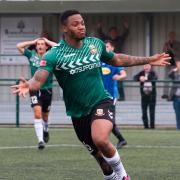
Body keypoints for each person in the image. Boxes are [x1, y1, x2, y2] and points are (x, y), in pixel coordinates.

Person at [12, 10, 170, 180]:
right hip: (78, 113)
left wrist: (148, 59)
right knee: (102, 161)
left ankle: (124, 176)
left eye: (82, 23)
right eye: (75, 24)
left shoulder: (95, 44)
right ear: (65, 28)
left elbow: (117, 59)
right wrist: (29, 85)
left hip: (101, 100)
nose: (81, 27)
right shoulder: (54, 55)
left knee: (100, 139)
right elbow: (38, 79)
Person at [16, 37, 57, 149]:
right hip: (34, 88)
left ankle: (46, 130)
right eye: (38, 44)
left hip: (47, 89)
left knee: (45, 116)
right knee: (37, 113)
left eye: (42, 44)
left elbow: (60, 47)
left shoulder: (51, 56)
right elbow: (19, 46)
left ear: (46, 46)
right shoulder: (32, 55)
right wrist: (32, 41)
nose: (39, 45)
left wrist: (47, 41)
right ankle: (40, 141)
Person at [101, 40, 127, 149]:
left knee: (109, 120)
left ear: (112, 48)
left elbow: (124, 74)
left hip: (111, 95)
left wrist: (119, 77)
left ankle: (121, 139)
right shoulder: (100, 60)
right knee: (102, 119)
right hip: (100, 95)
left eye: (107, 46)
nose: (105, 48)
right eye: (104, 46)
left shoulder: (115, 61)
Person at [96, 20, 129, 101]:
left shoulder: (119, 40)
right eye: (111, 32)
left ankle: (121, 96)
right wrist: (99, 28)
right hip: (101, 94)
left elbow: (125, 35)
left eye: (114, 32)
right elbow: (101, 35)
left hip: (117, 61)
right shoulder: (100, 59)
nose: (113, 34)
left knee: (118, 81)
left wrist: (126, 28)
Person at [134, 64, 158, 129]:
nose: (146, 67)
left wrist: (146, 78)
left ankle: (152, 127)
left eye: (148, 66)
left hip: (152, 96)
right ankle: (146, 126)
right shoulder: (141, 72)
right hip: (143, 95)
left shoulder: (153, 72)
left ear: (150, 67)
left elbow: (155, 78)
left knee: (152, 112)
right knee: (144, 112)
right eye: (145, 66)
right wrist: (139, 78)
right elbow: (134, 78)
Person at [162, 31, 180, 100]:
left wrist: (171, 49)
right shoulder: (166, 43)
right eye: (170, 35)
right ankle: (165, 94)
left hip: (175, 65)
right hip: (168, 64)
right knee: (166, 79)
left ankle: (172, 95)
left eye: (173, 35)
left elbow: (178, 53)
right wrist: (166, 48)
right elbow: (163, 52)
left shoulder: (178, 44)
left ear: (175, 36)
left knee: (175, 80)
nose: (171, 37)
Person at [169, 61, 180, 129]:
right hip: (176, 97)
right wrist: (174, 70)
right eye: (178, 65)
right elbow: (169, 75)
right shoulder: (175, 74)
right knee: (177, 113)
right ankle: (178, 128)